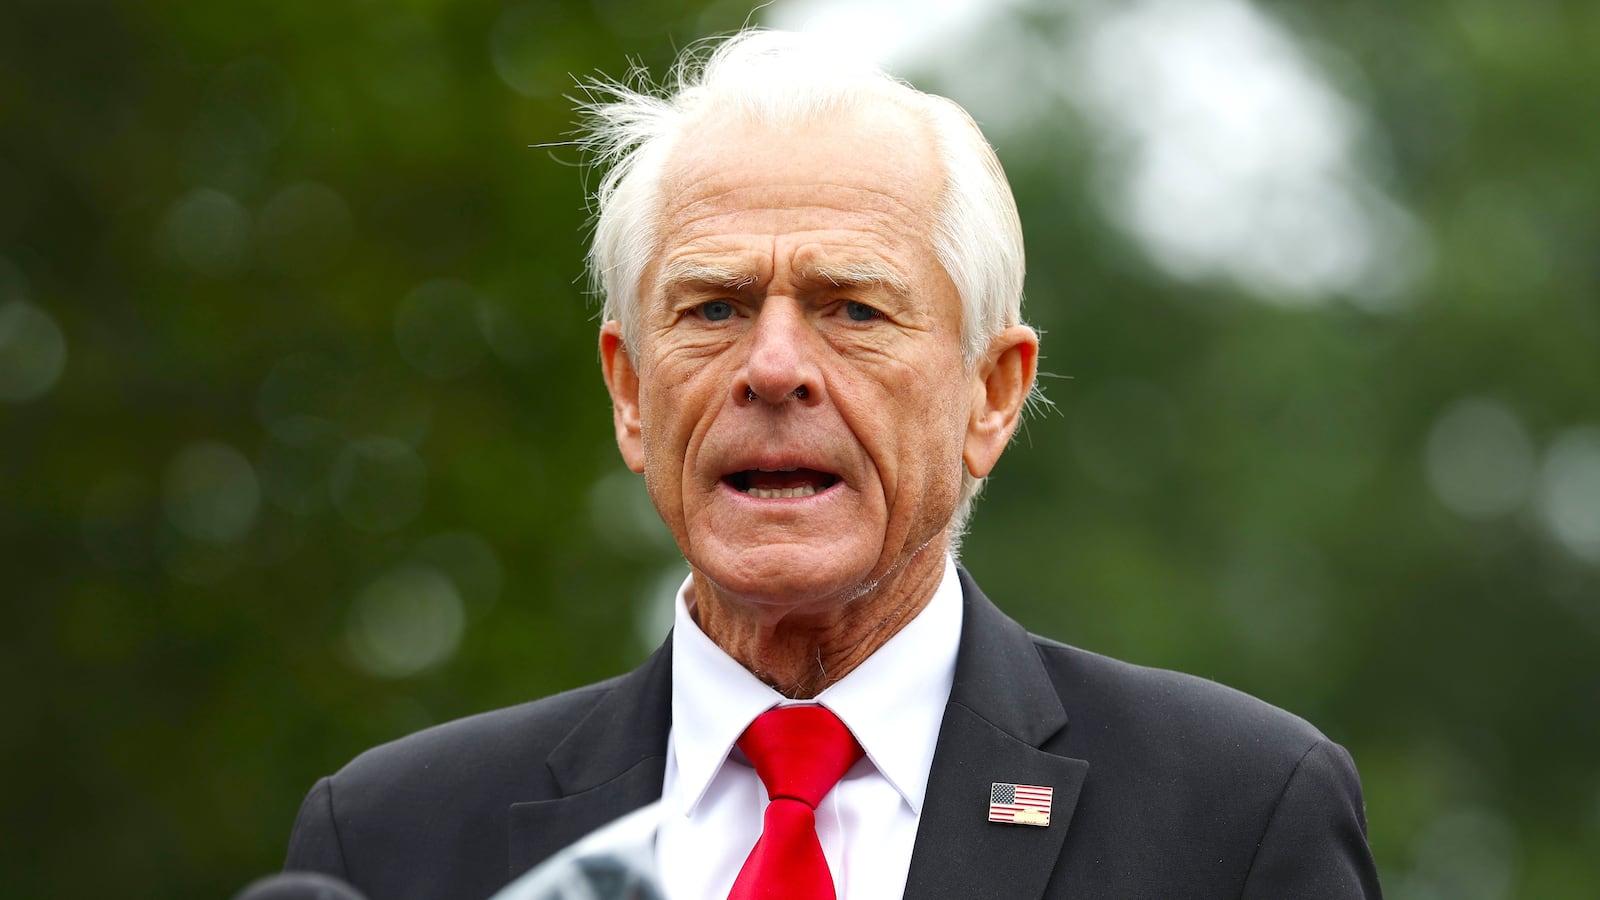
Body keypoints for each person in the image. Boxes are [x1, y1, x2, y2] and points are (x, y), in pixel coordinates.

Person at [284, 29, 1382, 900]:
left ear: (991, 393)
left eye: (851, 308)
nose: (773, 369)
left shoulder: (1236, 813)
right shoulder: (392, 841)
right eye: (713, 308)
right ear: (629, 392)